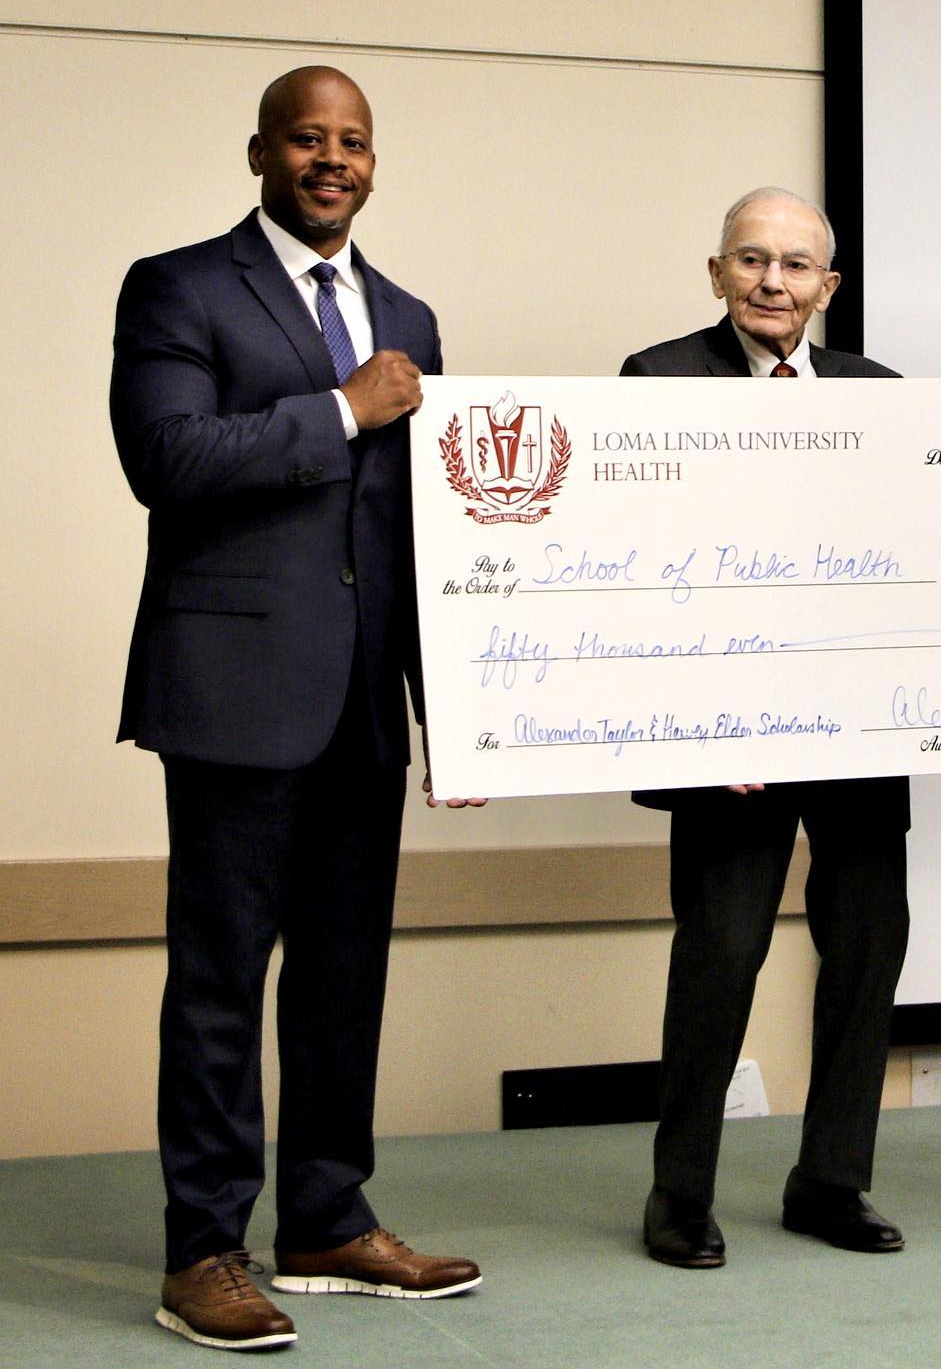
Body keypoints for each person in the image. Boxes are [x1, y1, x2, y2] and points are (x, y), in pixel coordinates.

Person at [110, 65, 481, 1351]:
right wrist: (340, 407)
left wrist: (461, 712)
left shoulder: (411, 313)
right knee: (219, 981)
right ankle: (201, 1248)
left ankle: (326, 1215)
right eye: (309, 139)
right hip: (232, 695)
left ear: (375, 163)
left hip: (364, 705)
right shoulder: (180, 286)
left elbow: (423, 532)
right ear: (260, 152)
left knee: (342, 976)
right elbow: (166, 461)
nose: (333, 160)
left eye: (355, 143)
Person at [621, 188, 911, 1268]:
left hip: (861, 736)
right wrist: (702, 724)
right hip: (724, 745)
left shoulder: (880, 395)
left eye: (796, 266)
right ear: (715, 273)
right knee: (723, 951)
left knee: (870, 944)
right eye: (751, 260)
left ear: (827, 288)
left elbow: (916, 559)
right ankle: (679, 1194)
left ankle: (832, 1181)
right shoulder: (655, 381)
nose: (773, 282)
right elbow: (639, 570)